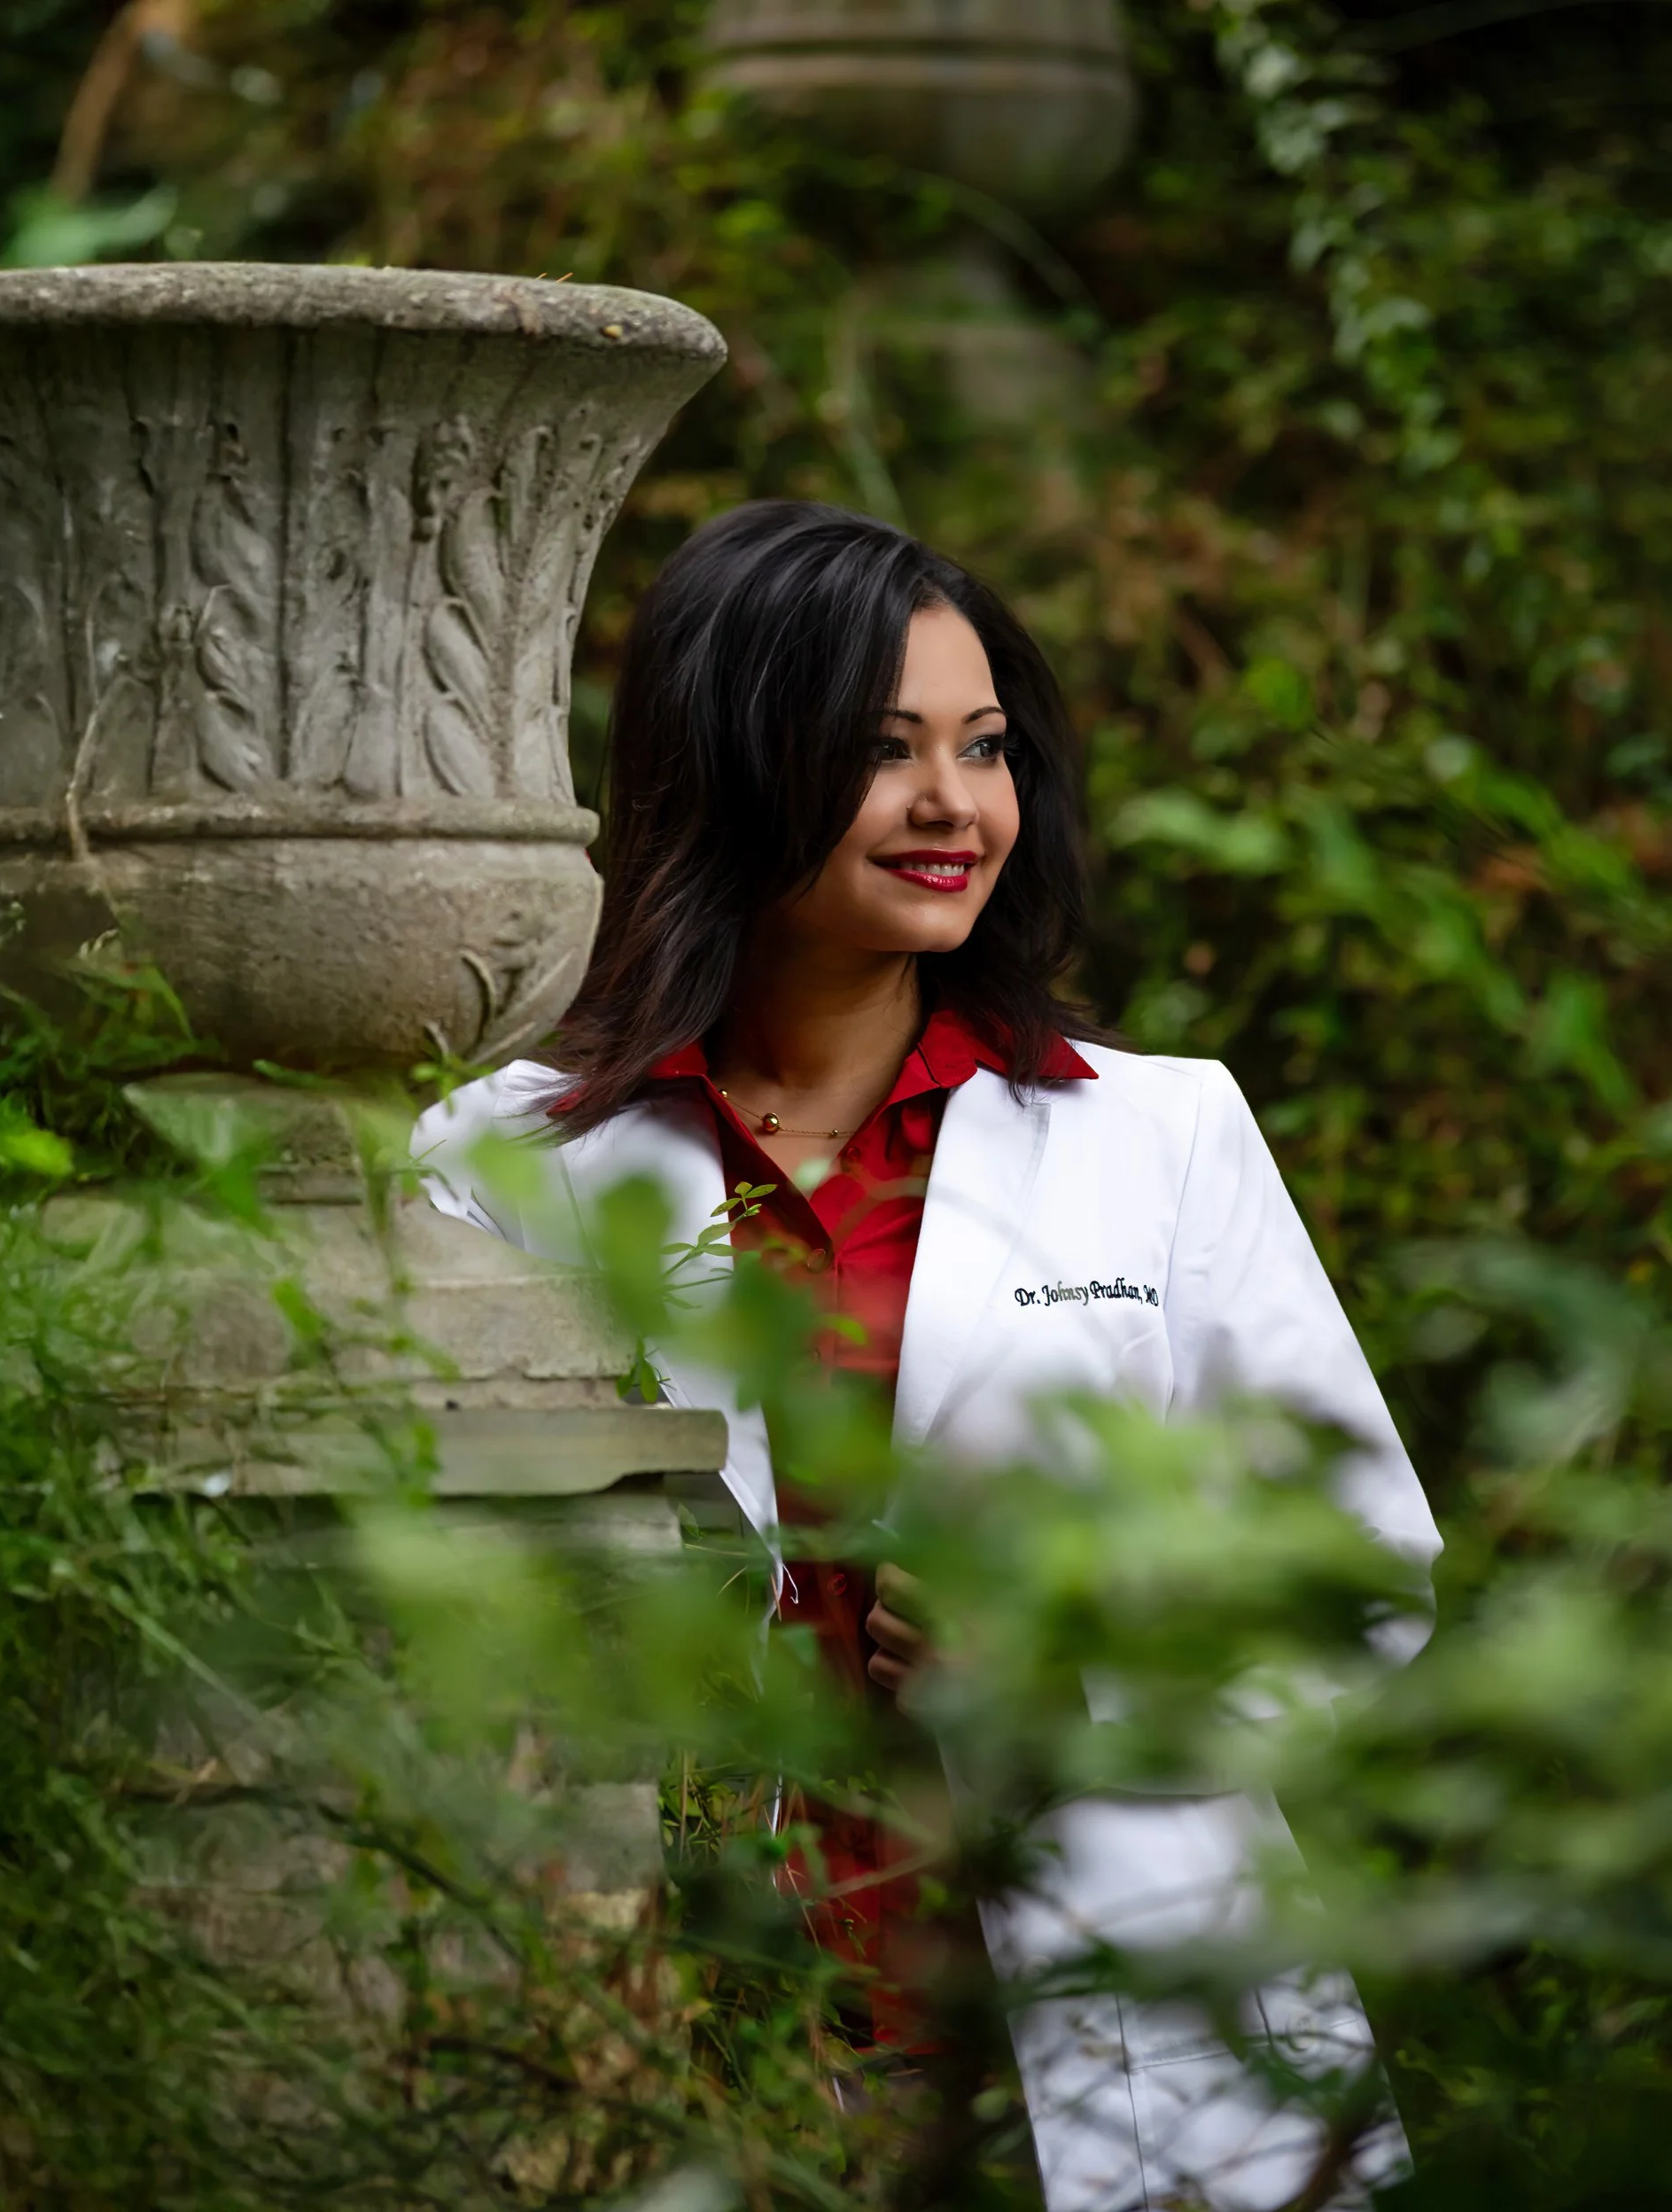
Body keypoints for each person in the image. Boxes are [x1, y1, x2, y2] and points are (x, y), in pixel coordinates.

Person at [412, 501, 1442, 2210]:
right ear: (737, 761)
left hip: (1106, 2039)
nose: (956, 803)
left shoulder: (1157, 1133)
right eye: (885, 752)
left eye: (984, 747)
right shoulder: (503, 1165)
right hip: (687, 2033)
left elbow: (1365, 1570)